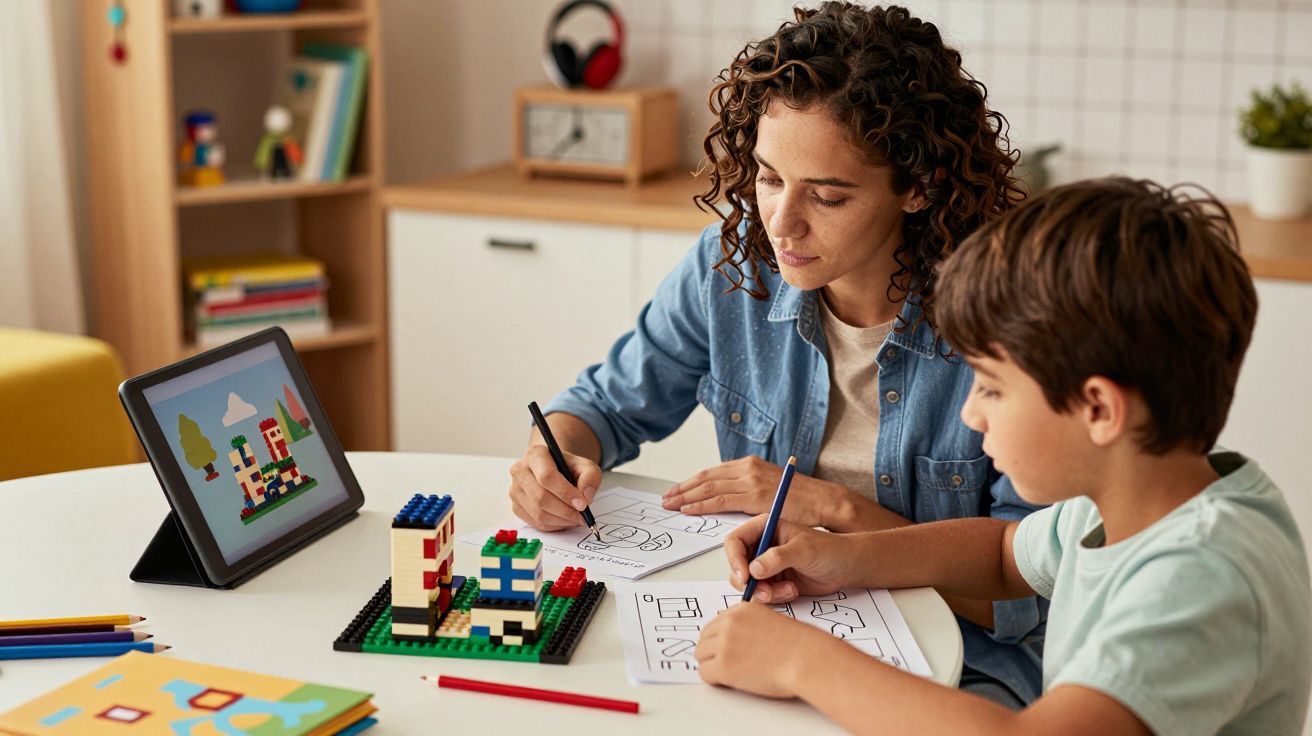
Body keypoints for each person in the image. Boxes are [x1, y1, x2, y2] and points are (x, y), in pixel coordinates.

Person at [508, 2, 1043, 704]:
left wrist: (832, 513)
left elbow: (1021, 595)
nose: (781, 223)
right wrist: (554, 457)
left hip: (957, 667)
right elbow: (605, 405)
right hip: (771, 629)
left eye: (826, 195)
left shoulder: (1006, 322)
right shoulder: (732, 268)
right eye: (767, 178)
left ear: (918, 188)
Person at [698, 177, 1312, 735]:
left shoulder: (1198, 577)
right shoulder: (1137, 496)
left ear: (1099, 409)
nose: (973, 412)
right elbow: (1000, 556)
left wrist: (802, 662)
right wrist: (842, 557)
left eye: (991, 387)